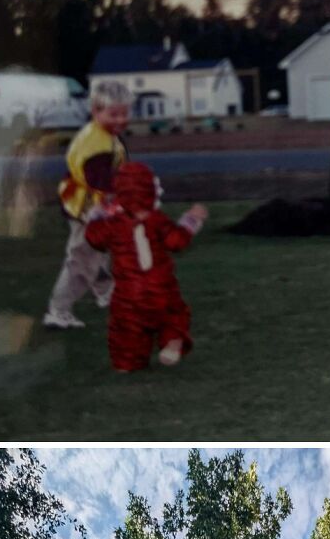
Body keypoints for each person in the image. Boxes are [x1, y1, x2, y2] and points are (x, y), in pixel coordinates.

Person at [84, 160, 207, 372]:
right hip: (160, 285)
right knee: (173, 315)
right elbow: (176, 241)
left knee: (127, 327)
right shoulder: (157, 220)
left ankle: (127, 362)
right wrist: (191, 220)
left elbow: (94, 238)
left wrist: (97, 214)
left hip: (128, 290)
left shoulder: (113, 224)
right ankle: (173, 342)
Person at [43, 80, 130, 329]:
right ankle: (58, 310)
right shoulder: (96, 143)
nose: (120, 119)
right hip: (86, 209)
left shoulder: (103, 134)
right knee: (82, 259)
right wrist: (130, 190)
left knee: (99, 253)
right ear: (96, 111)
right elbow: (100, 180)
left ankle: (106, 292)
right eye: (113, 114)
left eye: (124, 113)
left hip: (90, 205)